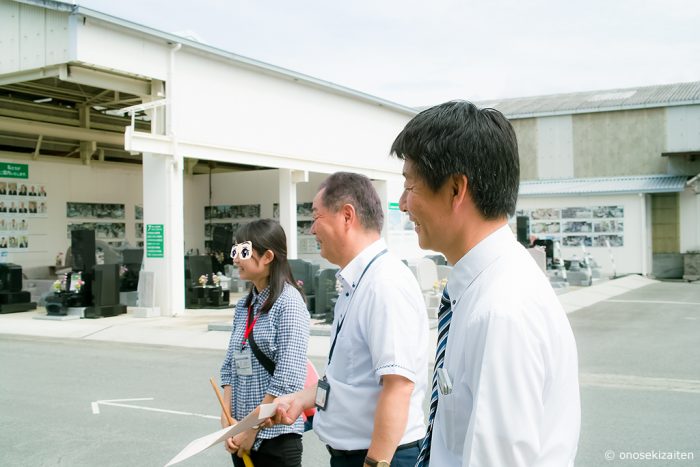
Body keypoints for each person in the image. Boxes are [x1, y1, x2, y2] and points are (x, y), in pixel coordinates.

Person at [390, 101, 580, 466]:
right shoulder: (483, 289)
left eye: (410, 184)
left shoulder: (501, 310)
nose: (402, 203)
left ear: (456, 189)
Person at [273, 172, 429, 467]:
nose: (311, 230)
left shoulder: (384, 283)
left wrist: (375, 463)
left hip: (381, 457)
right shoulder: (356, 282)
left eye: (316, 217)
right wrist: (301, 400)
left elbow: (398, 386)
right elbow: (344, 381)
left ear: (346, 216)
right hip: (355, 455)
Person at [220, 219, 309, 467]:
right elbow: (229, 365)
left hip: (275, 438)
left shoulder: (289, 303)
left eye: (244, 252)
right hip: (240, 435)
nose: (236, 259)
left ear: (268, 256)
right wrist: (228, 422)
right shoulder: (244, 305)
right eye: (234, 251)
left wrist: (251, 430)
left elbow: (288, 377)